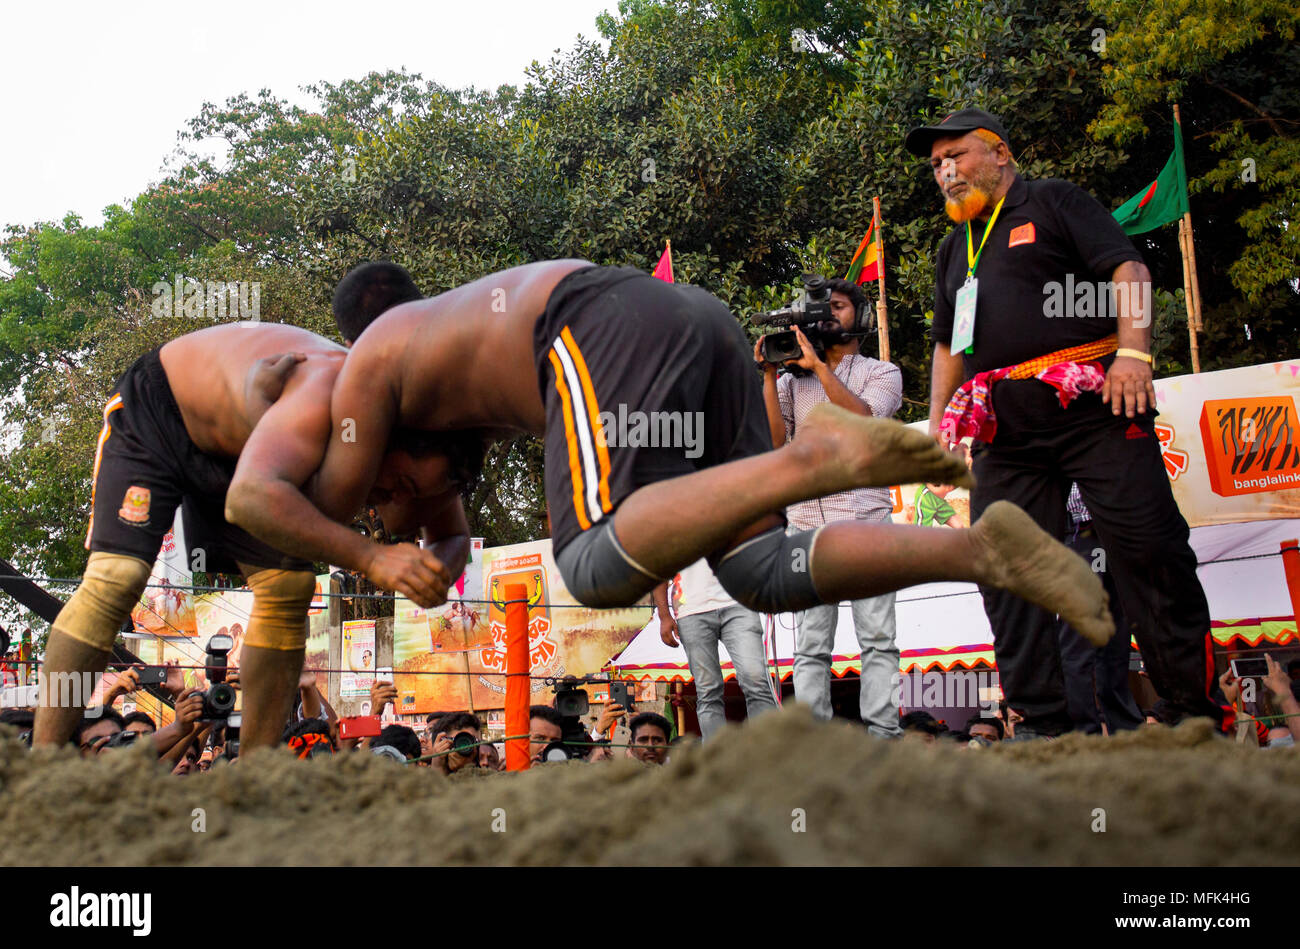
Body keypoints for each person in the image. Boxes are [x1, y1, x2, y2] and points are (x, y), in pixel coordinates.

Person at [302, 262, 1111, 651]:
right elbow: (436, 516)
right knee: (761, 569)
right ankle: (981, 551)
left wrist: (371, 552)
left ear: (351, 332)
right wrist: (420, 551)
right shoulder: (436, 355)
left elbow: (325, 501)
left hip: (585, 323)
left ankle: (815, 455)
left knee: (589, 562)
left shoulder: (365, 359)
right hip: (697, 322)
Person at [909, 107, 1225, 737]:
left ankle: (1191, 712)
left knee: (1149, 550)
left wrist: (1134, 354)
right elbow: (947, 344)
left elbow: (1129, 270)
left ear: (1001, 153)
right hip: (1006, 431)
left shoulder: (1054, 202)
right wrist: (940, 424)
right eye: (937, 164)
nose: (945, 172)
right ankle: (1044, 723)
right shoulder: (954, 247)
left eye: (957, 156)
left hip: (1095, 409)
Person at [33, 324, 462, 756]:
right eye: (400, 482)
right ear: (383, 438)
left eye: (415, 494)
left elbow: (453, 535)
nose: (397, 499)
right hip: (162, 413)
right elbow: (249, 501)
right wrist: (373, 558)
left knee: (289, 587)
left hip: (244, 459)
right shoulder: (329, 403)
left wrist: (437, 573)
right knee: (117, 577)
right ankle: (43, 760)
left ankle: (255, 772)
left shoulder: (432, 452)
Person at [756, 277, 903, 735]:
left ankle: (882, 735)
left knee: (877, 639)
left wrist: (820, 368)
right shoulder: (792, 380)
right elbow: (775, 441)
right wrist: (767, 374)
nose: (825, 316)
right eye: (819, 309)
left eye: (836, 307)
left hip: (865, 522)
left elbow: (861, 421)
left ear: (859, 317)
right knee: (811, 646)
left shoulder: (883, 372)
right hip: (805, 527)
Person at [652, 559, 777, 738]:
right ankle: (717, 758)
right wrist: (664, 615)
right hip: (691, 609)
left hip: (739, 602)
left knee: (756, 678)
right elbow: (659, 565)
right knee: (708, 690)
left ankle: (770, 754)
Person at [1057, 484, 1143, 734]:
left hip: (1118, 533)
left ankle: (1126, 728)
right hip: (1080, 532)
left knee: (1115, 637)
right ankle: (1083, 731)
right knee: (1077, 643)